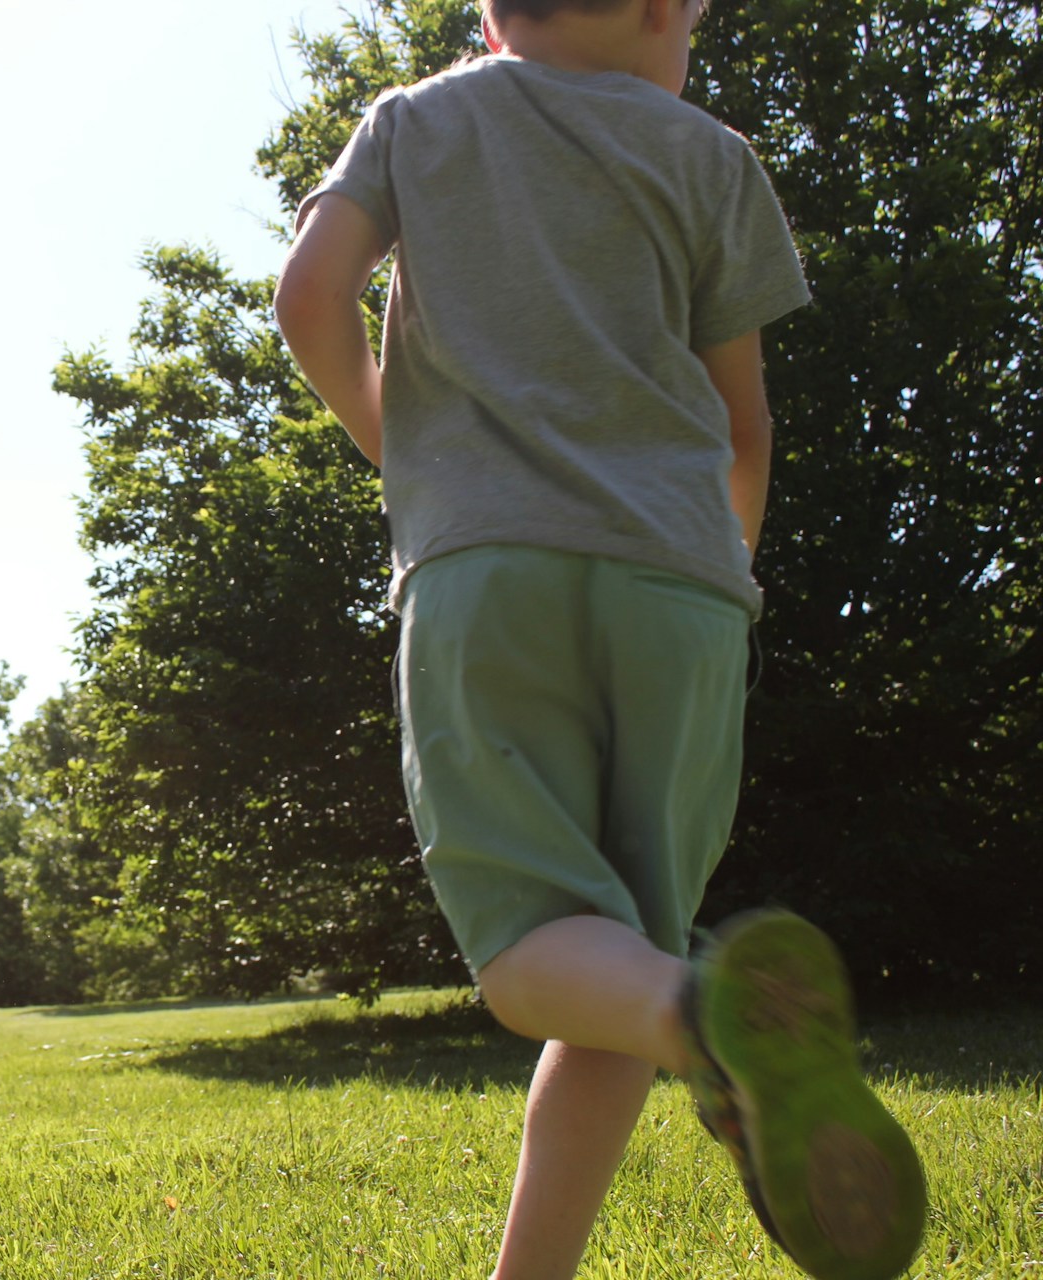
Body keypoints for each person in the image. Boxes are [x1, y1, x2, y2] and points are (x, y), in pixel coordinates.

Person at [271, 1, 927, 1277]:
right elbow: (746, 427)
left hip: (489, 569)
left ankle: (704, 1011)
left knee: (540, 955)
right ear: (649, 11)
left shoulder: (416, 120)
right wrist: (720, 567)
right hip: (680, 584)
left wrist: (405, 457)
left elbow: (310, 296)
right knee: (615, 950)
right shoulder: (710, 155)